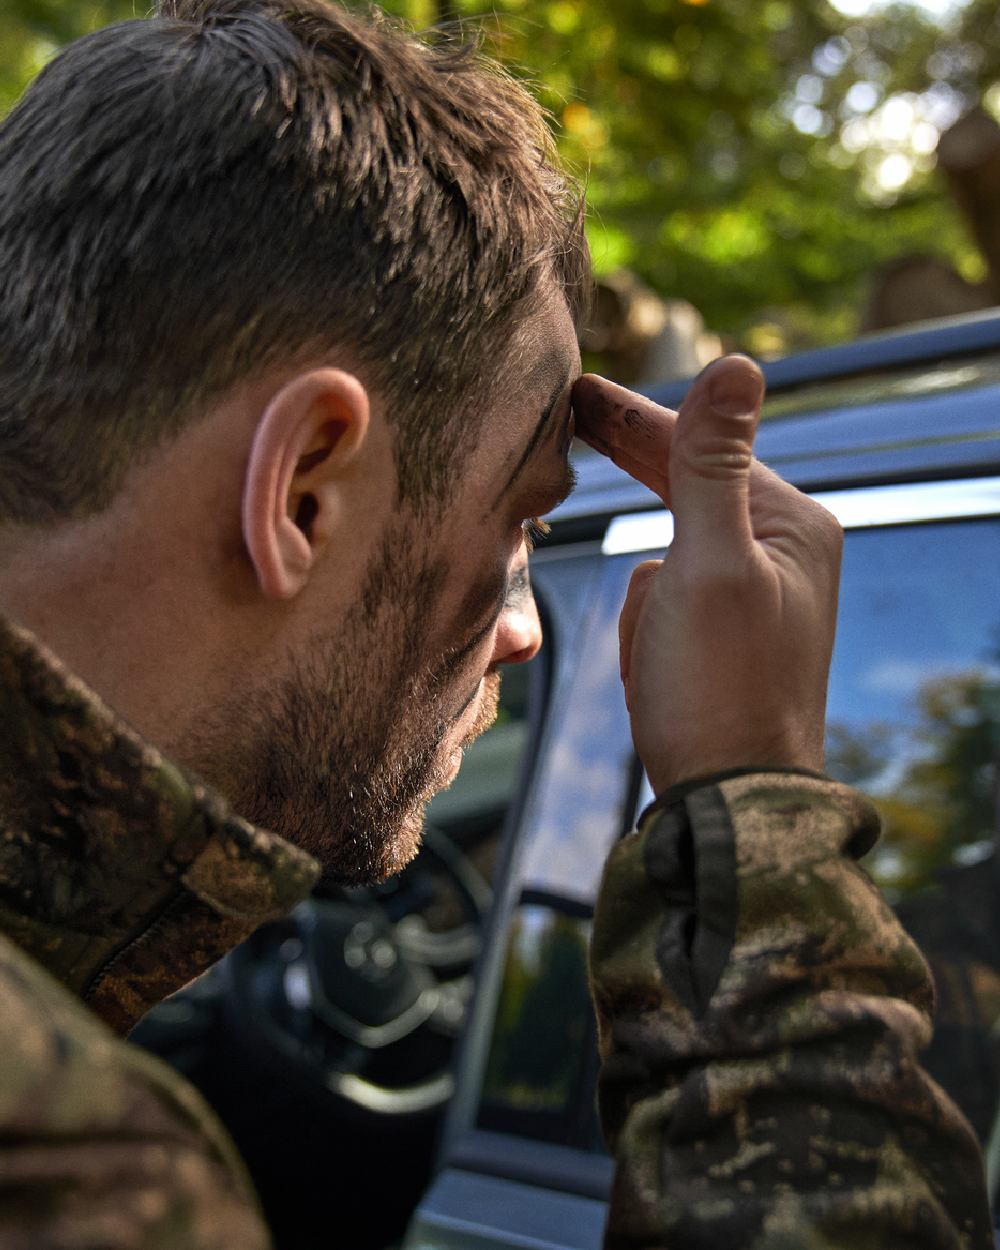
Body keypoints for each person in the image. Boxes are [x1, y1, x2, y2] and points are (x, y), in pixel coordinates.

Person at [0, 2, 991, 1248]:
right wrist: (754, 808)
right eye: (521, 519)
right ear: (304, 488)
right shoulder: (77, 1170)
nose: (524, 625)